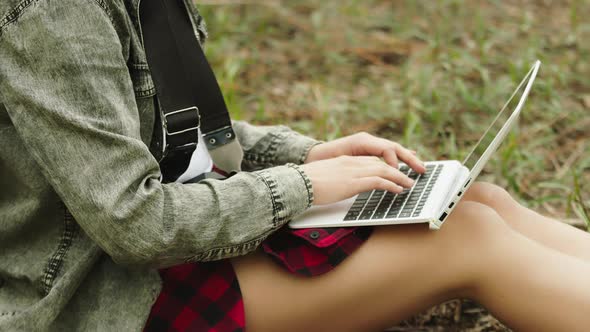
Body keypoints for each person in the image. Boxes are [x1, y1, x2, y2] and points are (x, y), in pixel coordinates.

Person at [0, 0, 589, 331]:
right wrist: (303, 186)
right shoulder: (54, 13)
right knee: (470, 240)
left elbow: (167, 126)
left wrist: (302, 154)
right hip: (100, 300)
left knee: (481, 204)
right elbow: (134, 222)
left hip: (165, 241)